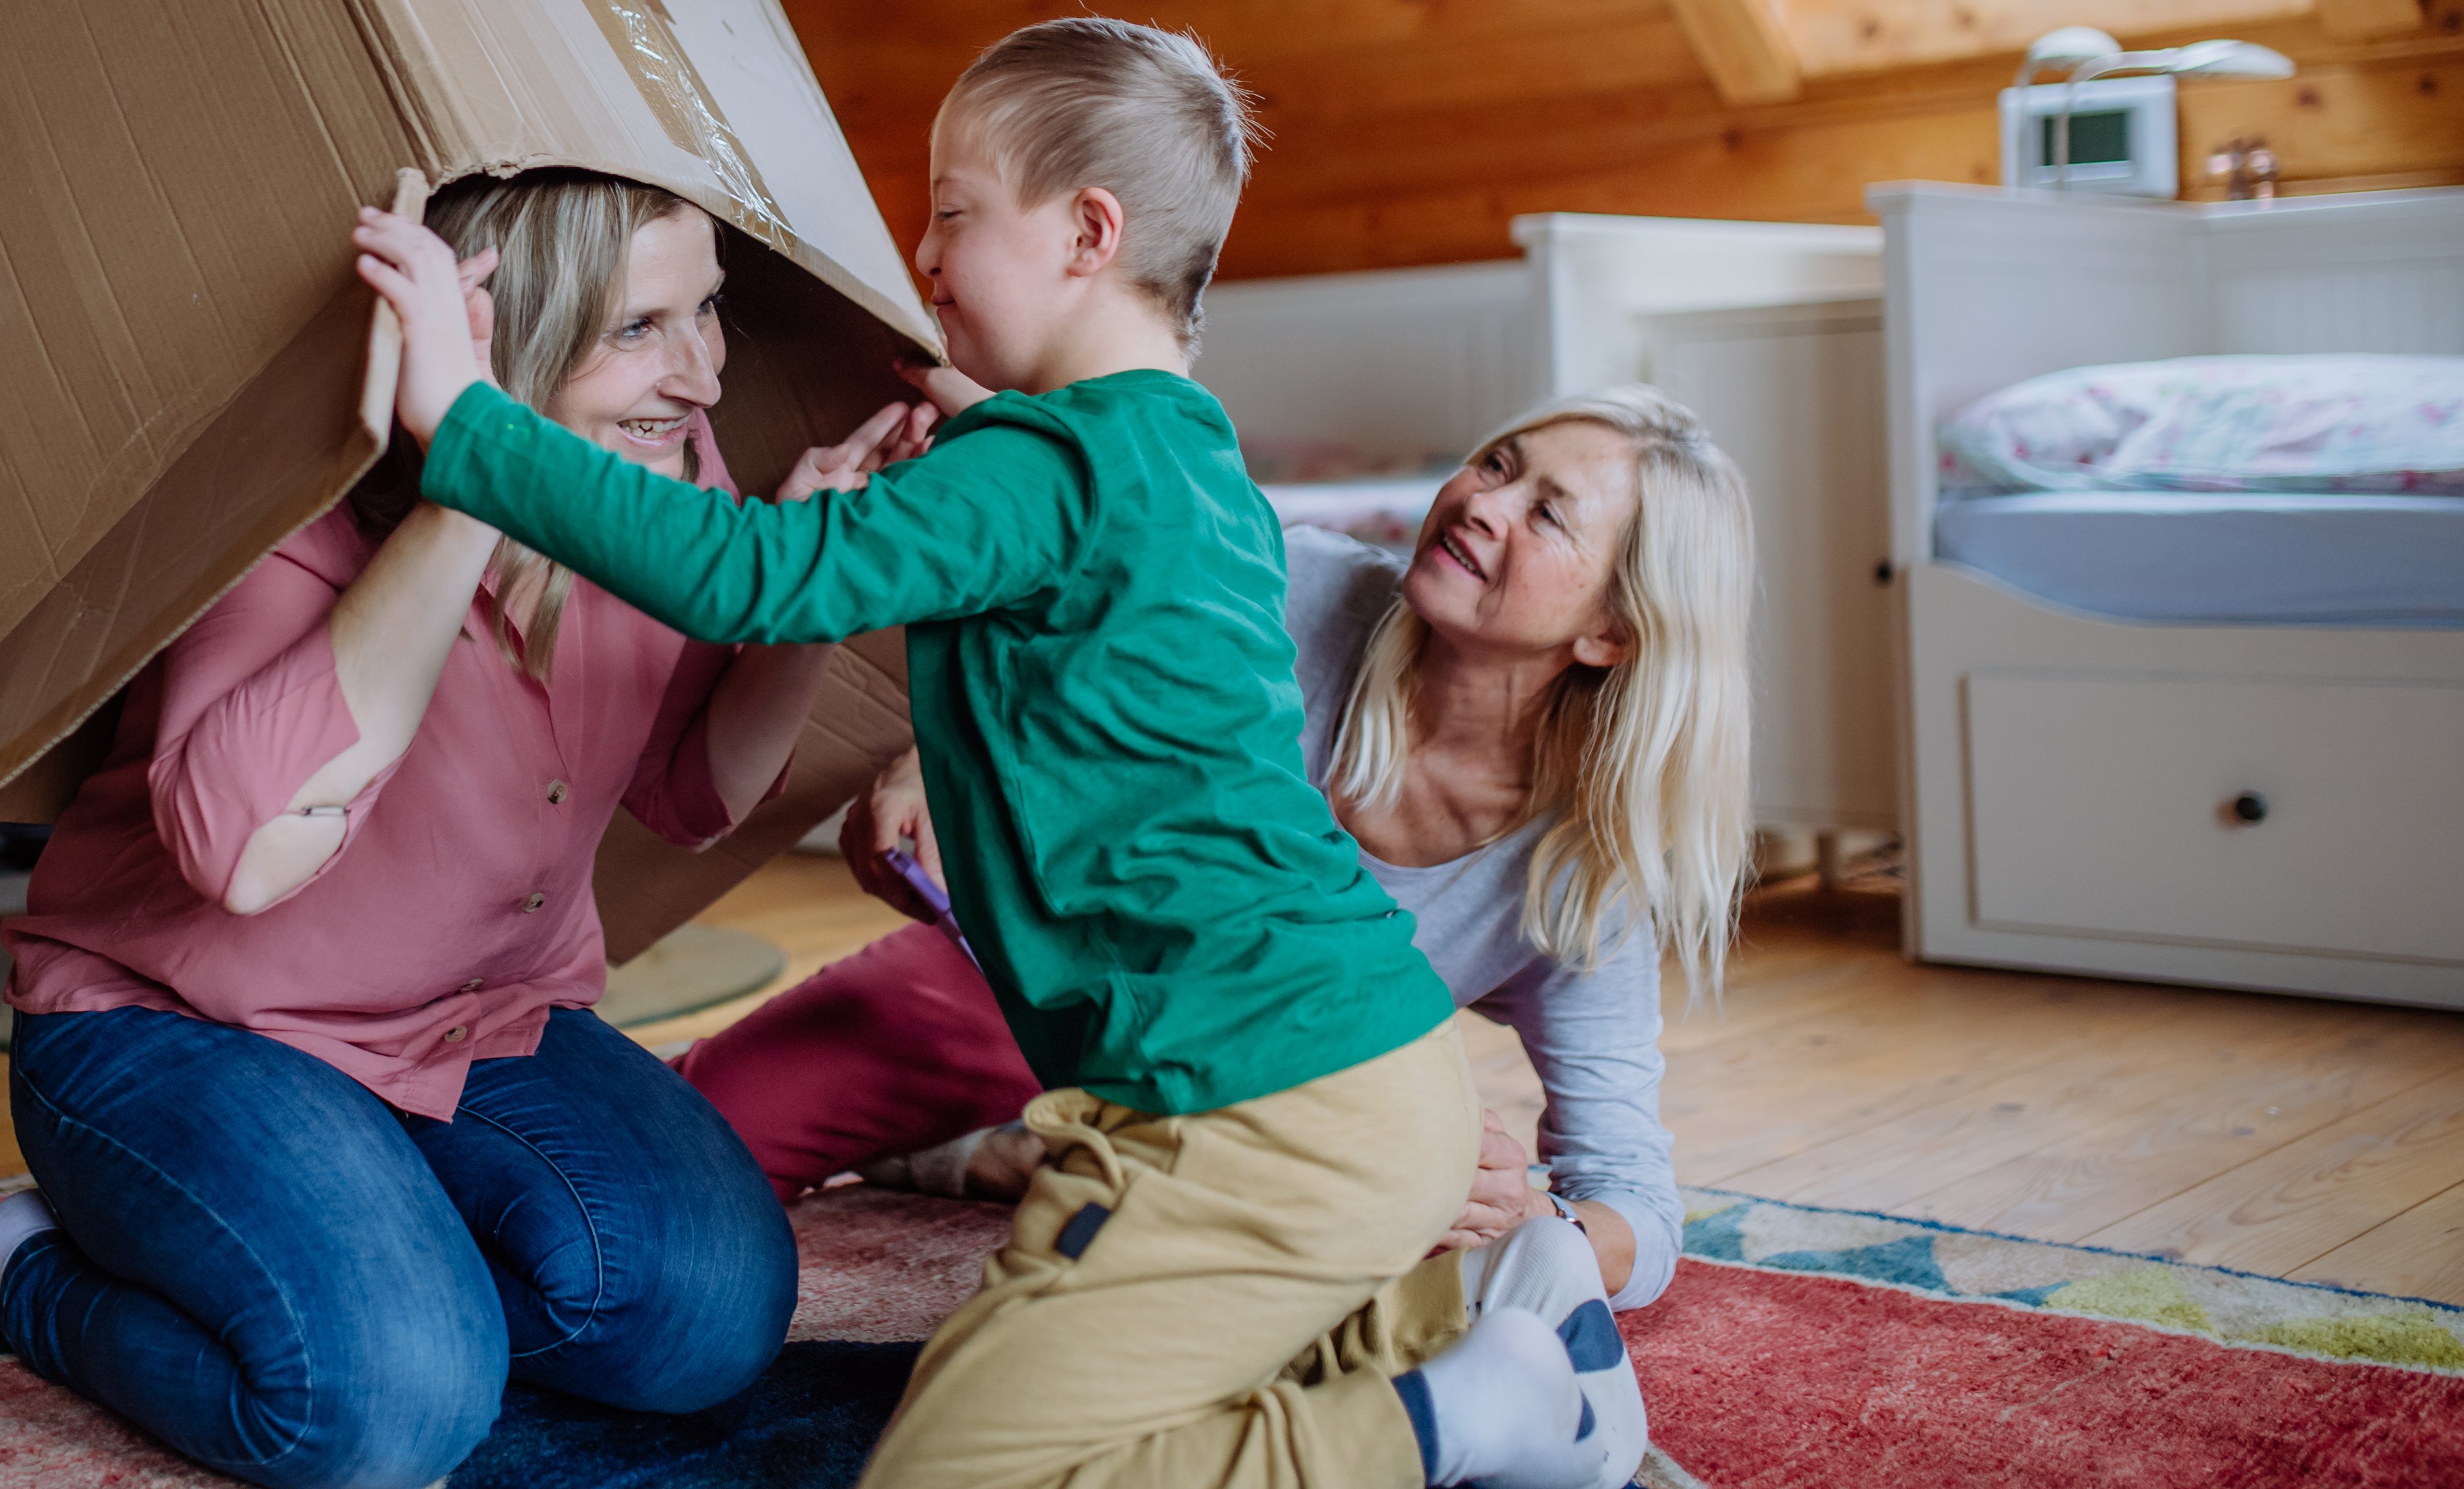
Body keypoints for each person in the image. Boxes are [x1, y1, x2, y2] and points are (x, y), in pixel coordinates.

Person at [354, 18, 1626, 1489]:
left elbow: (749, 576)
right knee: (1031, 1382)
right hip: (1364, 1073)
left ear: (1089, 231)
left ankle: (1451, 1418)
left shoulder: (1044, 470)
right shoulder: (1182, 451)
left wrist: (467, 415)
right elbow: (1074, 594)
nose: (926, 247)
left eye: (956, 210)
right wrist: (990, 437)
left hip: (1259, 1108)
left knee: (953, 1475)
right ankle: (1452, 1315)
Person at [0, 169, 932, 1489]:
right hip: (182, 1025)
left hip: (472, 1017)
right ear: (505, 349)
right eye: (639, 330)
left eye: (706, 311)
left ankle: (387, 1263)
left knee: (711, 1321)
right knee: (387, 1413)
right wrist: (472, 478)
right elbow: (243, 856)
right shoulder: (303, 504)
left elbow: (690, 793)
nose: (704, 379)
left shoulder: (662, 459)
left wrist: (804, 577)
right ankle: (42, 1277)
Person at [683, 384, 1757, 1328]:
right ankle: (1018, 1149)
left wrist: (1539, 1225)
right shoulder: (1289, 585)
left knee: (1410, 1191)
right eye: (1497, 464)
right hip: (1021, 993)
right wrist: (934, 761)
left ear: (1612, 633)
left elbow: (1636, 1204)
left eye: (1547, 513)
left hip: (1259, 1117)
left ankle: (1040, 1160)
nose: (1482, 502)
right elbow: (1057, 654)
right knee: (692, 1155)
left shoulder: (1583, 875)